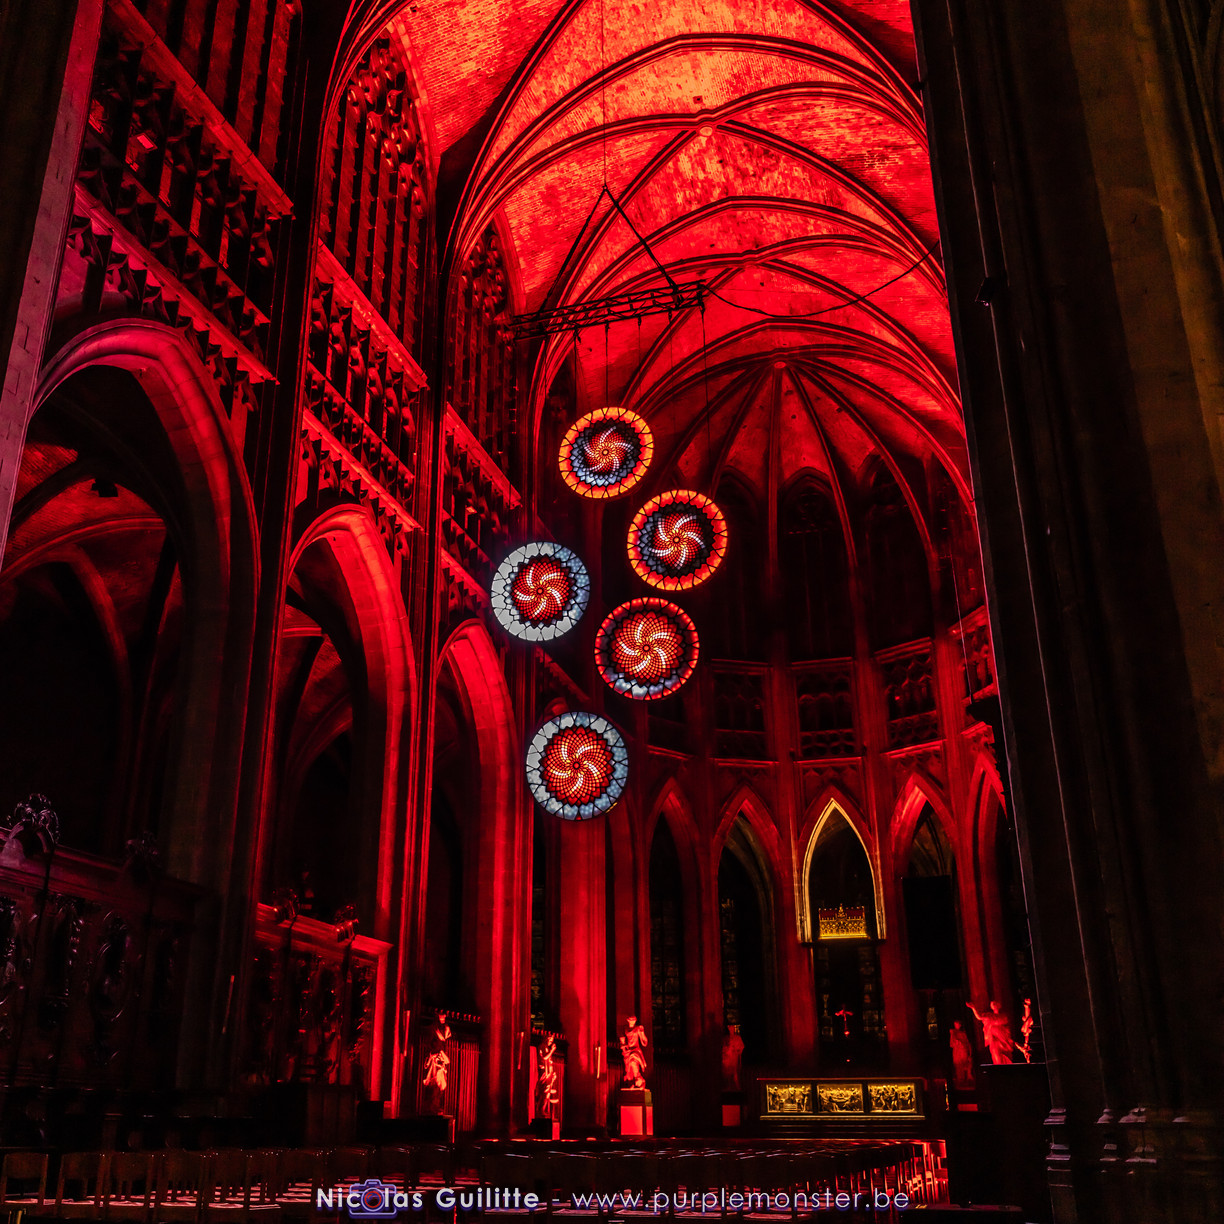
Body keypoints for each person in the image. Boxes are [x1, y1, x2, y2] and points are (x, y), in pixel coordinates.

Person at [967, 1000, 1016, 1064]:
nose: (993, 1005)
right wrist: (973, 1008)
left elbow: (1006, 1025)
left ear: (999, 1005)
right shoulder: (989, 1016)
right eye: (992, 1004)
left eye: (995, 1003)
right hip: (994, 1041)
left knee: (1006, 1056)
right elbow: (979, 1017)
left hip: (1004, 1040)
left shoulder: (1003, 1016)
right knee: (996, 1056)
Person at [421, 1011, 452, 1110]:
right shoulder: (434, 1029)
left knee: (438, 1085)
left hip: (440, 1057)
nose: (443, 1018)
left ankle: (436, 1105)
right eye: (441, 1016)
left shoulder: (446, 1029)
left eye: (444, 1017)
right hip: (435, 1057)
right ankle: (432, 1106)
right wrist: (433, 1055)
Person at [619, 1015, 648, 1089]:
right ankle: (631, 1082)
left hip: (635, 1050)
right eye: (631, 1020)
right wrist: (623, 1044)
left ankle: (639, 1081)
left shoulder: (638, 1028)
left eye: (633, 1021)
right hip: (628, 1051)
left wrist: (642, 1032)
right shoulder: (626, 1029)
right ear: (628, 1021)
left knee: (633, 1063)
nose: (632, 1022)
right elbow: (622, 1040)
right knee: (628, 1067)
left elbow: (644, 1042)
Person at [535, 1033, 559, 1120]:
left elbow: (549, 1061)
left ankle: (543, 1109)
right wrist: (552, 1051)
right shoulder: (542, 1046)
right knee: (545, 1091)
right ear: (546, 1038)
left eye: (552, 1041)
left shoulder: (547, 1048)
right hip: (544, 1072)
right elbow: (545, 1058)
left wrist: (553, 1073)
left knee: (548, 1092)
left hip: (548, 1072)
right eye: (550, 1040)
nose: (550, 1042)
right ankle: (540, 1109)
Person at [949, 1020, 975, 1088]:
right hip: (958, 1052)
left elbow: (967, 1043)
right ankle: (961, 1081)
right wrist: (954, 1036)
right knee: (959, 1066)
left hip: (964, 1051)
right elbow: (952, 1044)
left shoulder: (963, 1033)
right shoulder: (954, 1033)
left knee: (966, 1065)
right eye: (955, 1024)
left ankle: (967, 1079)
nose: (956, 1026)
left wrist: (969, 1052)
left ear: (960, 1025)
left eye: (957, 1024)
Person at [721, 1023, 745, 1091]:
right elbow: (723, 1049)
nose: (731, 1028)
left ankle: (736, 1088)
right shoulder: (725, 1038)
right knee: (726, 1075)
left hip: (733, 1059)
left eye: (732, 1027)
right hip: (727, 1059)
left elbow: (741, 1048)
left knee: (735, 1074)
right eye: (729, 1027)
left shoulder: (737, 1038)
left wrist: (736, 1050)